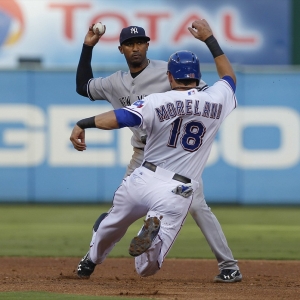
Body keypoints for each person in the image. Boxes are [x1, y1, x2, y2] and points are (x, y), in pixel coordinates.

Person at [75, 20, 242, 283]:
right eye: (129, 44)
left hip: (172, 154)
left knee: (197, 207)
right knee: (120, 211)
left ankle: (228, 264)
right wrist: (87, 47)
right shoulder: (115, 82)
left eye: (140, 42)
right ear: (122, 49)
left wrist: (84, 123)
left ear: (148, 45)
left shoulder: (167, 70)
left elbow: (193, 93)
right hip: (144, 155)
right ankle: (93, 256)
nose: (135, 48)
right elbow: (83, 86)